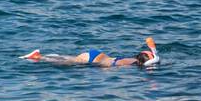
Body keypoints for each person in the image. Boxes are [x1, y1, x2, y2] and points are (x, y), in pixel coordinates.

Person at [21, 37, 159, 69]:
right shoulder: (132, 61)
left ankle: (44, 55)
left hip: (95, 55)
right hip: (94, 60)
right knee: (66, 63)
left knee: (71, 59)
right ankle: (38, 57)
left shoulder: (132, 59)